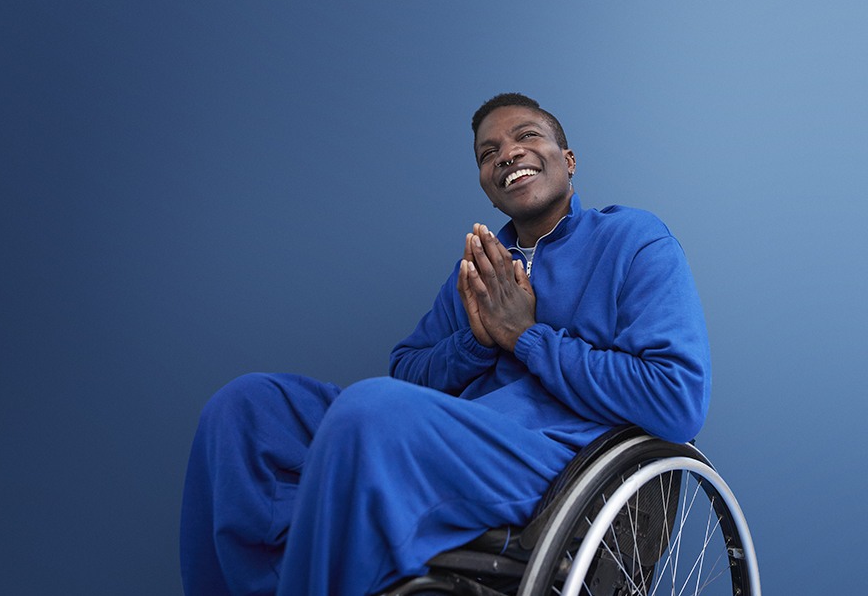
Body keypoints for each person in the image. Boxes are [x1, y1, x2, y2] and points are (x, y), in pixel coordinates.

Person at [179, 93, 711, 596]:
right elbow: (406, 372)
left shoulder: (634, 240)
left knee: (370, 412)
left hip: (557, 459)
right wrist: (478, 344)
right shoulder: (483, 263)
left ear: (568, 160)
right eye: (489, 153)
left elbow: (676, 400)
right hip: (462, 438)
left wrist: (526, 338)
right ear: (485, 182)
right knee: (245, 409)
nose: (508, 154)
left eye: (526, 136)